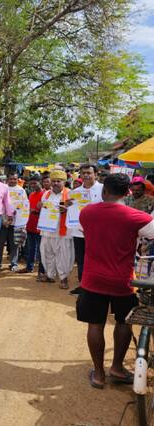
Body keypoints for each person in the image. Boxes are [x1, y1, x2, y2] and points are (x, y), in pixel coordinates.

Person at [76, 173, 154, 388]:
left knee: (95, 324)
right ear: (127, 192)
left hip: (93, 279)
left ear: (104, 190)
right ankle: (117, 368)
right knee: (123, 322)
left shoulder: (87, 212)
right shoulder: (137, 217)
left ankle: (99, 374)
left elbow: (86, 233)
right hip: (123, 281)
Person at [67, 164, 103, 295]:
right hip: (79, 232)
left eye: (89, 173)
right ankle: (83, 286)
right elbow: (71, 210)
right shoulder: (74, 192)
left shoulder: (104, 189)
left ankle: (97, 287)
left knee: (97, 260)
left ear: (96, 174)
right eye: (83, 173)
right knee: (81, 260)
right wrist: (67, 206)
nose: (86, 175)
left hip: (97, 233)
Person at [38, 170, 74, 289]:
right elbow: (43, 208)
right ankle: (50, 275)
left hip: (62, 231)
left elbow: (76, 211)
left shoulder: (70, 194)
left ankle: (63, 278)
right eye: (53, 181)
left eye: (59, 181)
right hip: (47, 230)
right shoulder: (46, 194)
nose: (56, 183)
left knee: (63, 255)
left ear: (64, 182)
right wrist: (40, 206)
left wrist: (67, 209)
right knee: (47, 253)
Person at [0, 173, 27, 272]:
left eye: (14, 179)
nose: (12, 181)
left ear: (17, 180)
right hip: (3, 221)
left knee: (14, 244)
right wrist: (3, 219)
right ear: (7, 179)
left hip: (16, 222)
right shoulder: (3, 189)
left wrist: (20, 218)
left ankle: (14, 263)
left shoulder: (21, 190)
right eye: (11, 179)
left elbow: (24, 206)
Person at [18, 176, 46, 279]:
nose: (33, 185)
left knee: (41, 250)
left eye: (35, 183)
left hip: (40, 226)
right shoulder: (31, 195)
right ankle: (29, 267)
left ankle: (41, 271)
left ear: (40, 182)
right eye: (31, 183)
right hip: (30, 225)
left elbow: (47, 210)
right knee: (31, 248)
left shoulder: (45, 195)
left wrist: (37, 211)